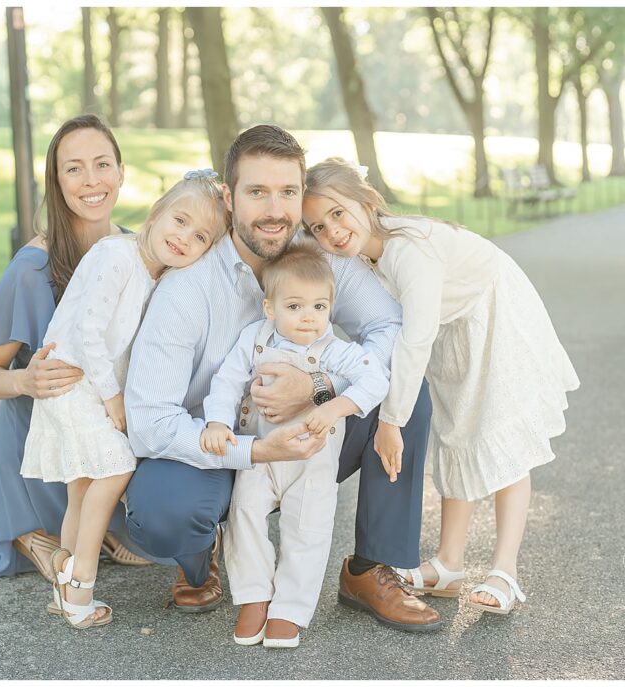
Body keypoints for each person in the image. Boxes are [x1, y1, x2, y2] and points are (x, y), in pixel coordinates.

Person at [124, 124, 443, 633]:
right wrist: (250, 451)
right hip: (213, 445)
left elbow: (387, 326)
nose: (275, 210)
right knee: (165, 513)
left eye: (288, 192)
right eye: (257, 192)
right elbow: (148, 423)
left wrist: (321, 388)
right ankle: (198, 554)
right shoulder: (188, 287)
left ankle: (371, 567)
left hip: (304, 437)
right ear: (229, 198)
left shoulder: (316, 255)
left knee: (406, 391)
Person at [302, 157, 580, 615]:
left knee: (499, 430)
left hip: (492, 310)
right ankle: (450, 563)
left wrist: (390, 420)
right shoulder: (362, 257)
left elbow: (413, 340)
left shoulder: (410, 250)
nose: (330, 232)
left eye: (337, 213)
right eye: (316, 227)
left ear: (367, 201)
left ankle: (504, 570)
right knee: (456, 432)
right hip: (452, 326)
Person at [19, 172, 229, 629]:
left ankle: (64, 585)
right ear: (154, 215)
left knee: (81, 487)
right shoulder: (117, 257)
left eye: (199, 237)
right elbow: (90, 331)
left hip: (91, 388)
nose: (183, 238)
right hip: (74, 385)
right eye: (178, 220)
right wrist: (115, 399)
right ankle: (81, 585)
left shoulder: (157, 275)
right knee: (117, 467)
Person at [0, 114, 156, 581]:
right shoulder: (31, 269)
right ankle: (31, 532)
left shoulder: (140, 252)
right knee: (67, 561)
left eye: (102, 164)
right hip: (41, 440)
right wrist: (22, 379)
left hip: (107, 433)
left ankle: (106, 531)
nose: (91, 180)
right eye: (74, 169)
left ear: (120, 171)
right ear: (56, 182)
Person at [199, 244, 388, 647]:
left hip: (313, 458)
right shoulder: (255, 339)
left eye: (320, 307)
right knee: (244, 514)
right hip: (262, 451)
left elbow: (377, 379)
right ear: (270, 308)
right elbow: (227, 381)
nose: (309, 317)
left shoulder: (336, 351)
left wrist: (336, 405)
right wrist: (217, 420)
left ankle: (290, 608)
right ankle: (254, 595)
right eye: (296, 306)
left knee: (308, 527)